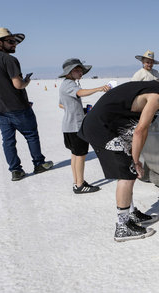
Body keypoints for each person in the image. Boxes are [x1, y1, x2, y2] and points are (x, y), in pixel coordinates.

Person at [78, 66, 159, 242]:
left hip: (108, 125)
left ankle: (130, 214)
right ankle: (122, 227)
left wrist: (133, 156)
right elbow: (140, 130)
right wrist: (135, 161)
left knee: (129, 167)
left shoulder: (153, 88)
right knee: (128, 172)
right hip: (100, 128)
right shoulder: (156, 96)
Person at [0, 27, 53, 181]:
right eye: (11, 41)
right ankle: (39, 164)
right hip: (18, 108)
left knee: (8, 140)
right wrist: (26, 81)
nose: (15, 44)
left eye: (15, 41)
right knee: (31, 135)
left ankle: (16, 171)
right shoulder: (9, 59)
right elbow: (18, 85)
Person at [58, 58, 110, 194]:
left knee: (75, 155)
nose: (81, 72)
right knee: (80, 155)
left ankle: (77, 182)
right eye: (78, 70)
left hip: (68, 125)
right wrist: (99, 88)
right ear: (70, 71)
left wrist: (78, 110)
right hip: (75, 126)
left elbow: (61, 104)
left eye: (81, 70)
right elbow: (80, 93)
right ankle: (80, 185)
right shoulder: (70, 84)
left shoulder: (65, 84)